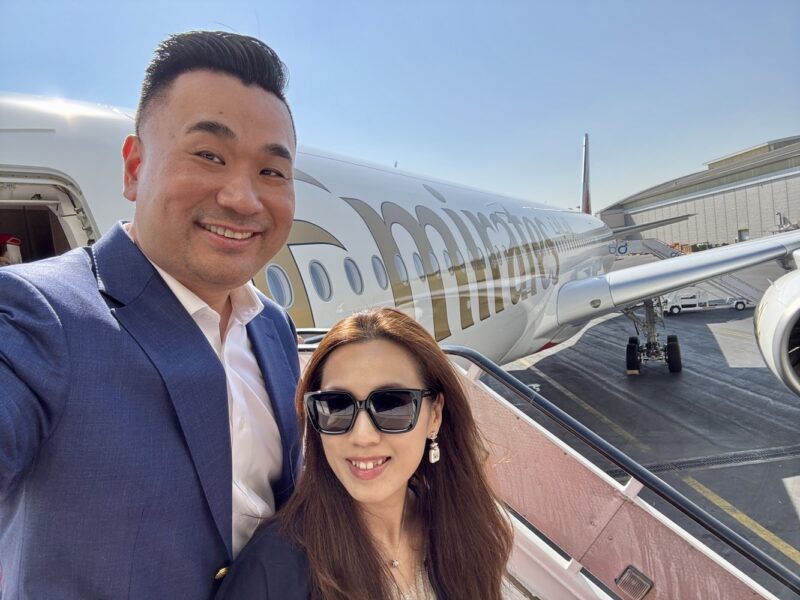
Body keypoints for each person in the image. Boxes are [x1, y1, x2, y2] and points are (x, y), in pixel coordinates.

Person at [0, 31, 301, 598]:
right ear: (135, 167)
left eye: (271, 171)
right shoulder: (36, 314)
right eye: (209, 155)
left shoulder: (273, 328)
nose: (243, 198)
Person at [217, 308, 514, 599]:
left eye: (391, 405)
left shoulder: (462, 531)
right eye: (336, 406)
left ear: (434, 415)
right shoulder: (271, 571)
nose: (362, 436)